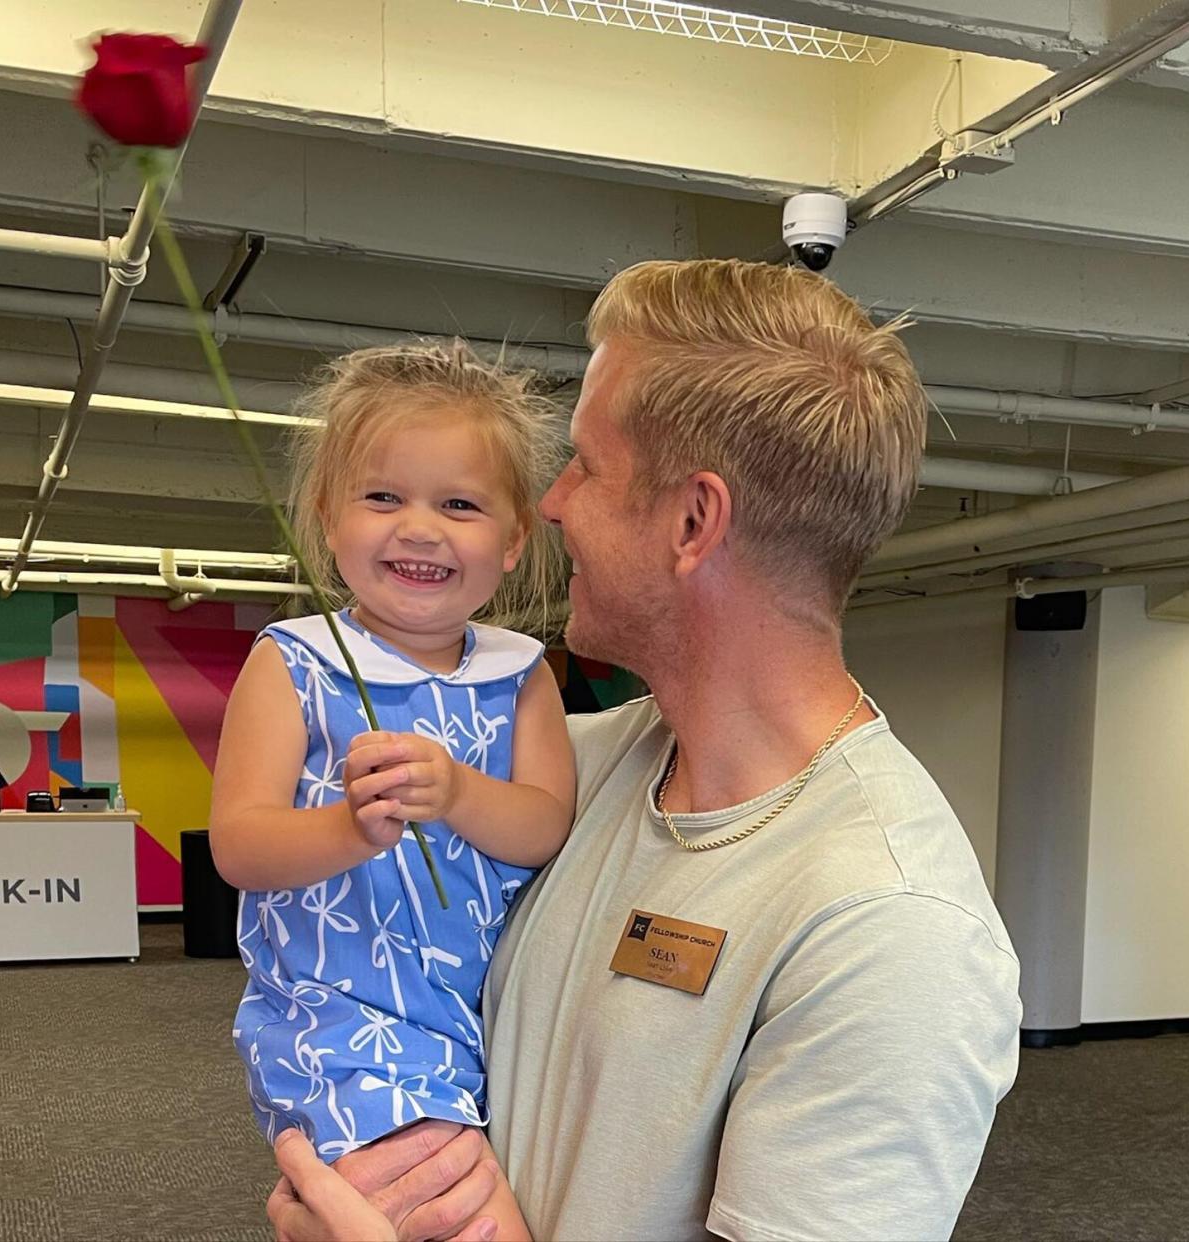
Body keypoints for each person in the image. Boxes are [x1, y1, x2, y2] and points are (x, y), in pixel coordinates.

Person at [264, 259, 1023, 1242]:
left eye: (586, 465)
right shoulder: (565, 771)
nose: (550, 505)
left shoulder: (889, 926)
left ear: (694, 521)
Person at [210, 343, 576, 1238]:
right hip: (338, 1017)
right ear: (329, 519)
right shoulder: (294, 662)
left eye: (459, 504)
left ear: (514, 538)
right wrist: (350, 829)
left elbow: (544, 824)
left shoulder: (520, 673)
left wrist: (455, 792)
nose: (420, 527)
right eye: (384, 497)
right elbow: (241, 845)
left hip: (479, 1017)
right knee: (454, 1217)